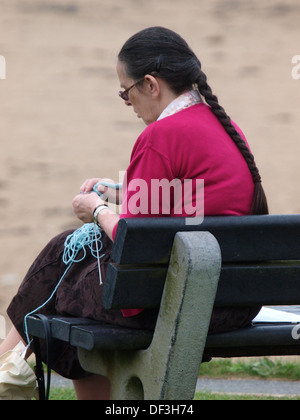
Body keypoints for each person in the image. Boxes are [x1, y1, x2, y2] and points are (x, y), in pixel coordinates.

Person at [0, 26, 268, 400]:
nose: (129, 105)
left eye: (126, 94)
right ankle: (7, 365)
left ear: (150, 84)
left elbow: (136, 238)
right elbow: (186, 203)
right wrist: (118, 191)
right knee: (66, 256)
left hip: (181, 303)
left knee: (61, 281)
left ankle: (7, 366)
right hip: (231, 300)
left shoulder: (160, 136)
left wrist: (95, 209)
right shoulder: (222, 125)